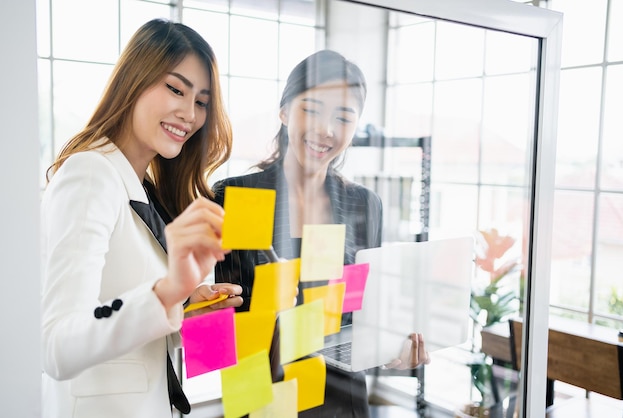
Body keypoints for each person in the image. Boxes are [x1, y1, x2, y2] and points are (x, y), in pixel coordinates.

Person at [40, 18, 243, 418]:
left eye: (201, 101)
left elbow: (135, 338)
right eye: (175, 89)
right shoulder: (89, 175)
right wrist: (168, 291)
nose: (189, 113)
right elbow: (56, 346)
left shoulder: (142, 188)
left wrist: (187, 309)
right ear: (134, 80)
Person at [212, 49, 430, 418]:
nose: (325, 129)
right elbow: (218, 325)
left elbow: (359, 317)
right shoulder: (235, 197)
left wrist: (397, 345)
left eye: (342, 116)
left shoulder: (363, 204)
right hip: (259, 400)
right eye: (311, 109)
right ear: (284, 112)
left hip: (342, 403)